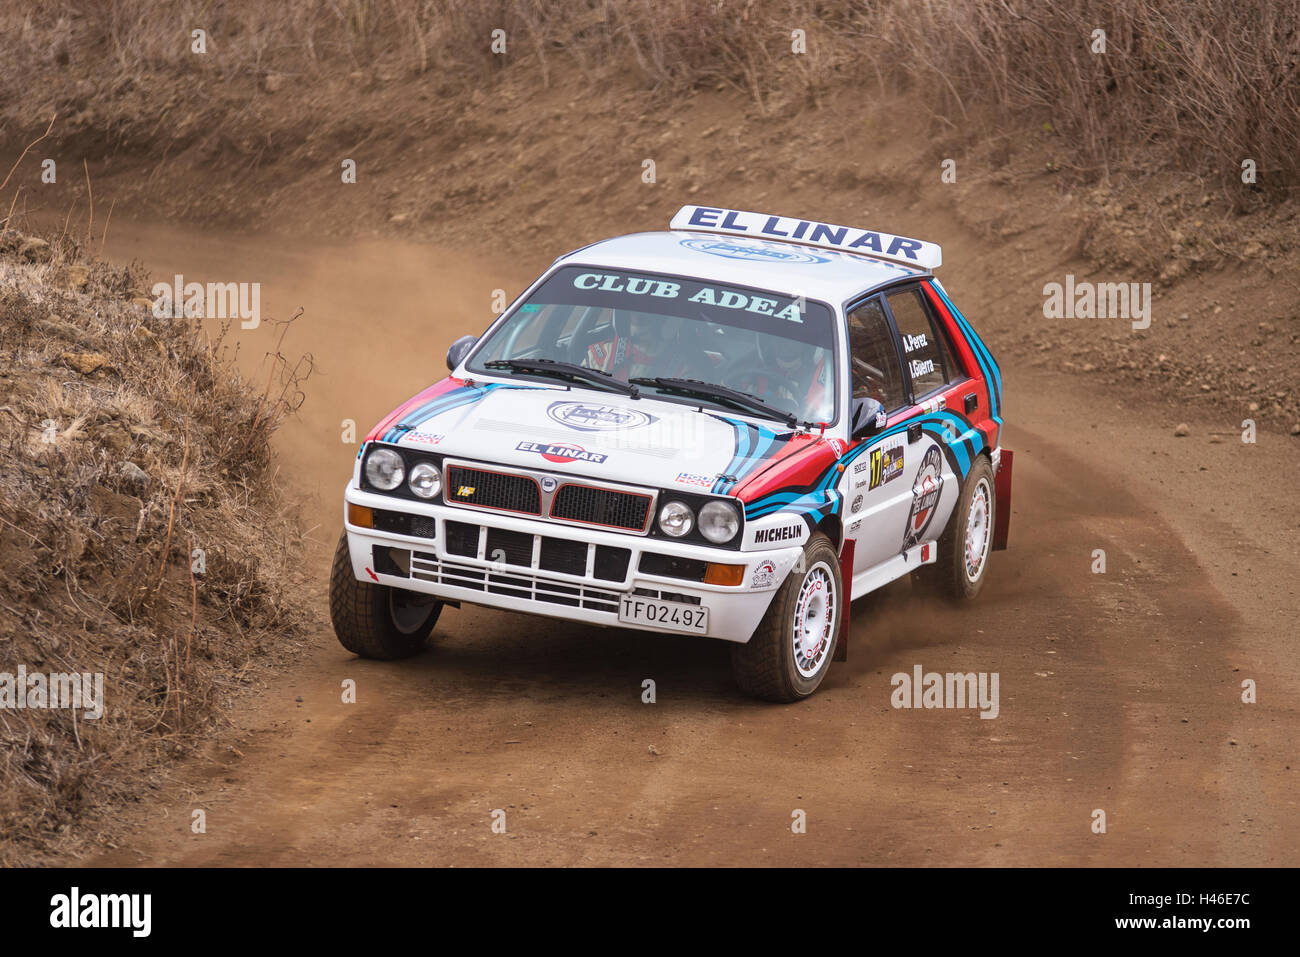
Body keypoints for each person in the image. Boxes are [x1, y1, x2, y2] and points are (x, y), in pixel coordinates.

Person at [585, 311, 716, 381]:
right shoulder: (601, 355)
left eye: (646, 312)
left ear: (670, 321)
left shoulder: (689, 368)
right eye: (632, 310)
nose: (636, 316)